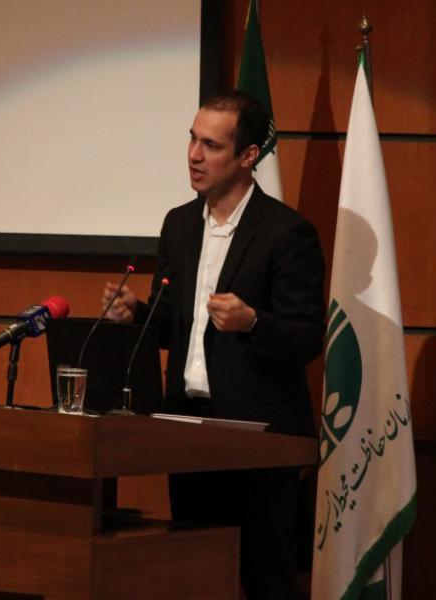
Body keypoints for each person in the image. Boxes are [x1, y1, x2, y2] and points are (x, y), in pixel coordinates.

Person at [102, 90, 325, 599]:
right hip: (187, 428)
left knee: (265, 578)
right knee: (198, 574)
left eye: (211, 145)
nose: (194, 156)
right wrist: (135, 313)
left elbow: (307, 335)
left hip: (258, 436)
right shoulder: (179, 224)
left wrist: (253, 322)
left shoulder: (287, 233)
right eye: (192, 139)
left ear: (248, 156)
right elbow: (172, 325)